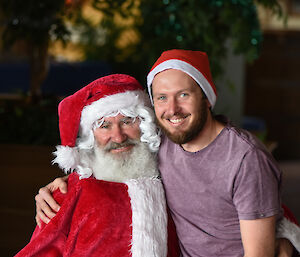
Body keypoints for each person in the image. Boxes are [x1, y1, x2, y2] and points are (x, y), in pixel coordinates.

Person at [35, 50, 300, 257]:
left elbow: (260, 244)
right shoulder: (161, 145)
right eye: (161, 98)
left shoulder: (245, 158)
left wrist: (285, 241)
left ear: (206, 97)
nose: (172, 109)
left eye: (183, 94)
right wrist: (57, 188)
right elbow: (113, 160)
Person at [15, 74, 179, 257]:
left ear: (145, 125)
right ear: (90, 137)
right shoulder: (67, 194)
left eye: (127, 121)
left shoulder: (174, 176)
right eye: (104, 126)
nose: (118, 137)